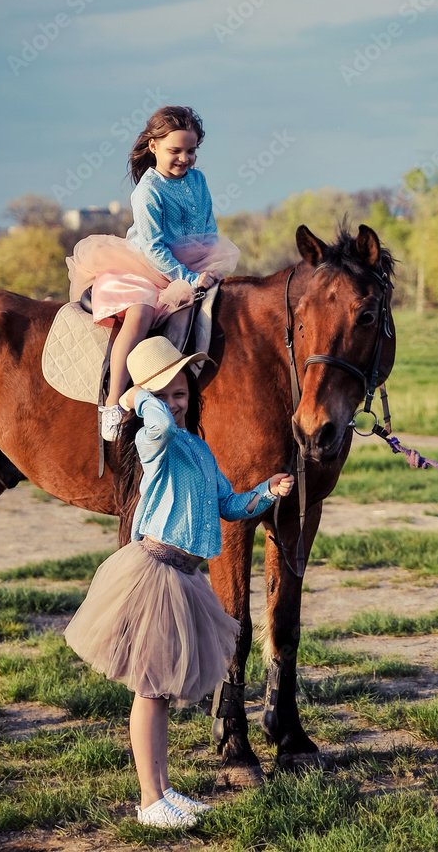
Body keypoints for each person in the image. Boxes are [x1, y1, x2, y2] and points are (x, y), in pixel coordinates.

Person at [64, 336, 293, 828]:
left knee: (163, 690)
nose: (174, 402)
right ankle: (149, 802)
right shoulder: (154, 441)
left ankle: (164, 789)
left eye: (181, 392)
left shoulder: (201, 449)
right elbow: (162, 424)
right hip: (154, 572)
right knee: (149, 689)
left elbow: (230, 507)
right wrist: (134, 398)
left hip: (185, 576)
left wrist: (266, 492)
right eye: (163, 393)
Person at [66, 105, 239, 441]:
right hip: (145, 266)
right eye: (176, 151)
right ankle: (114, 403)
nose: (185, 158)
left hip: (192, 263)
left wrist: (210, 265)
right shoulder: (148, 190)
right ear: (154, 146)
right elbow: (152, 247)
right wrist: (187, 278)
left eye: (191, 151)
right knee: (141, 312)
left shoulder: (198, 180)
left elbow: (208, 227)